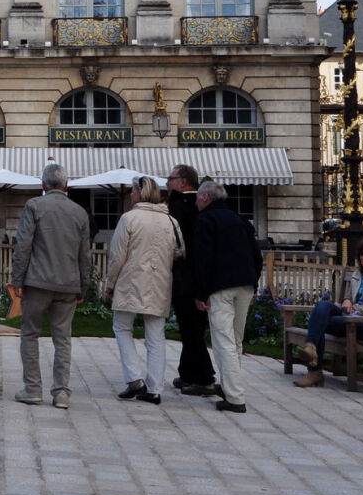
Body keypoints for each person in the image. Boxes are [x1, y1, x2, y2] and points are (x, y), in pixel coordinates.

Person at [11, 162, 93, 409]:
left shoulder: (34, 206)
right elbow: (84, 254)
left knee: (30, 334)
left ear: (43, 185)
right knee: (63, 339)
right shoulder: (79, 212)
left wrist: (17, 279)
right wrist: (84, 286)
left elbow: (23, 245)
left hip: (37, 281)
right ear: (66, 185)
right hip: (68, 284)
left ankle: (33, 389)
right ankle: (61, 393)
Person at [104, 176, 181, 406]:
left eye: (132, 191)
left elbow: (117, 255)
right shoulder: (171, 221)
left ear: (140, 193)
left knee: (122, 327)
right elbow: (179, 251)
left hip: (131, 280)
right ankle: (155, 388)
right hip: (159, 281)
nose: (130, 194)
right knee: (156, 335)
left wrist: (110, 283)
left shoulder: (129, 218)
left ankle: (134, 378)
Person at [190, 182, 262, 415]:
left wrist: (200, 293)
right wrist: (253, 282)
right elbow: (257, 256)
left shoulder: (205, 220)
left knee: (224, 341)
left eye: (198, 197)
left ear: (206, 198)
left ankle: (235, 397)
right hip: (245, 284)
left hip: (220, 287)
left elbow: (203, 260)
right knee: (236, 340)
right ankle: (231, 386)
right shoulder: (241, 220)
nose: (195, 201)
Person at [292, 236, 363, 388]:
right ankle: (310, 348)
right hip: (348, 316)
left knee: (320, 321)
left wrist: (353, 307)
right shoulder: (357, 274)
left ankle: (314, 371)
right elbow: (348, 297)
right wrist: (347, 300)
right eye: (361, 254)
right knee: (323, 305)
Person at [165, 164, 218, 396]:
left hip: (184, 275)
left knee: (190, 328)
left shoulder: (178, 206)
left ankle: (205, 377)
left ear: (183, 182)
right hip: (204, 275)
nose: (167, 183)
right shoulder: (202, 207)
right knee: (193, 326)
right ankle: (187, 372)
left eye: (171, 178)